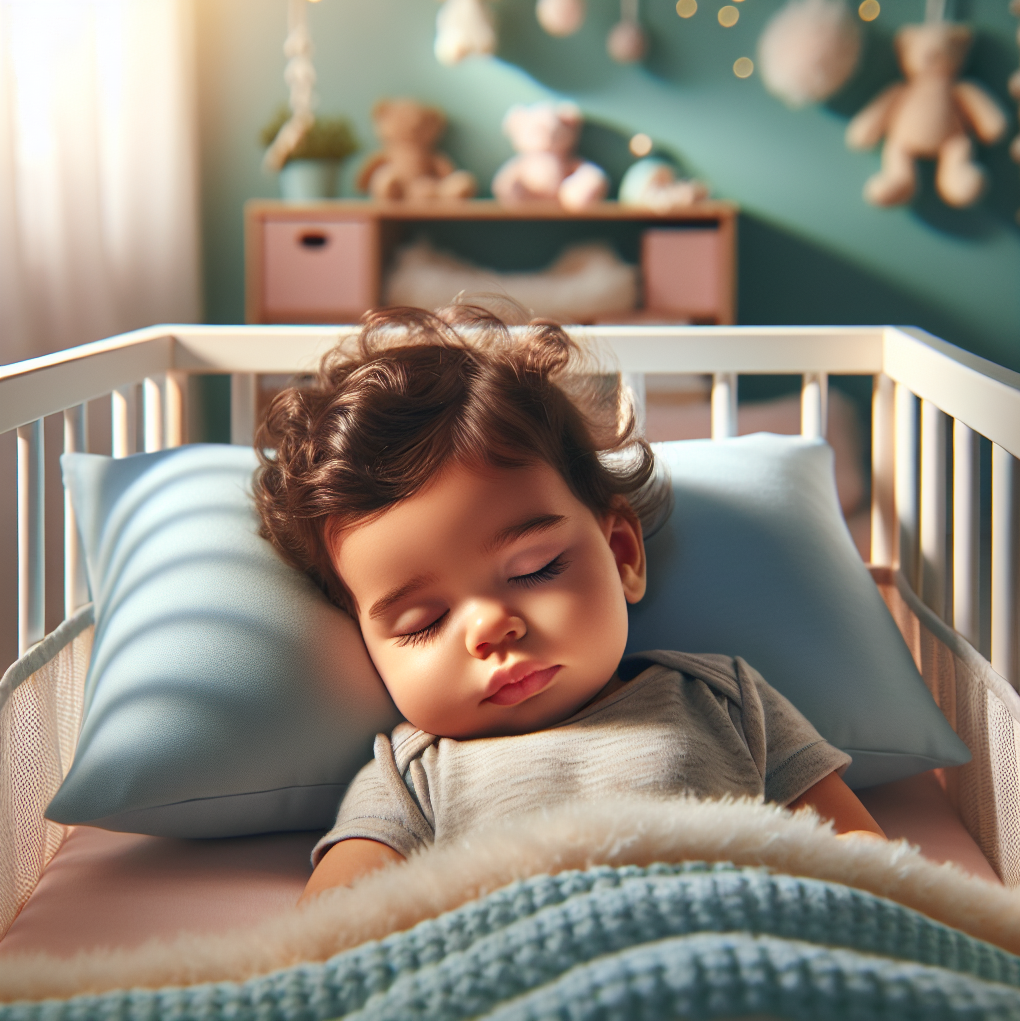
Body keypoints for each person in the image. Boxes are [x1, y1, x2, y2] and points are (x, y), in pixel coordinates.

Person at [253, 305, 884, 903]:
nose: (490, 627)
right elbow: (335, 929)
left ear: (621, 554)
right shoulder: (413, 776)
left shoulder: (723, 700)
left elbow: (867, 865)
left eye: (536, 569)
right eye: (425, 622)